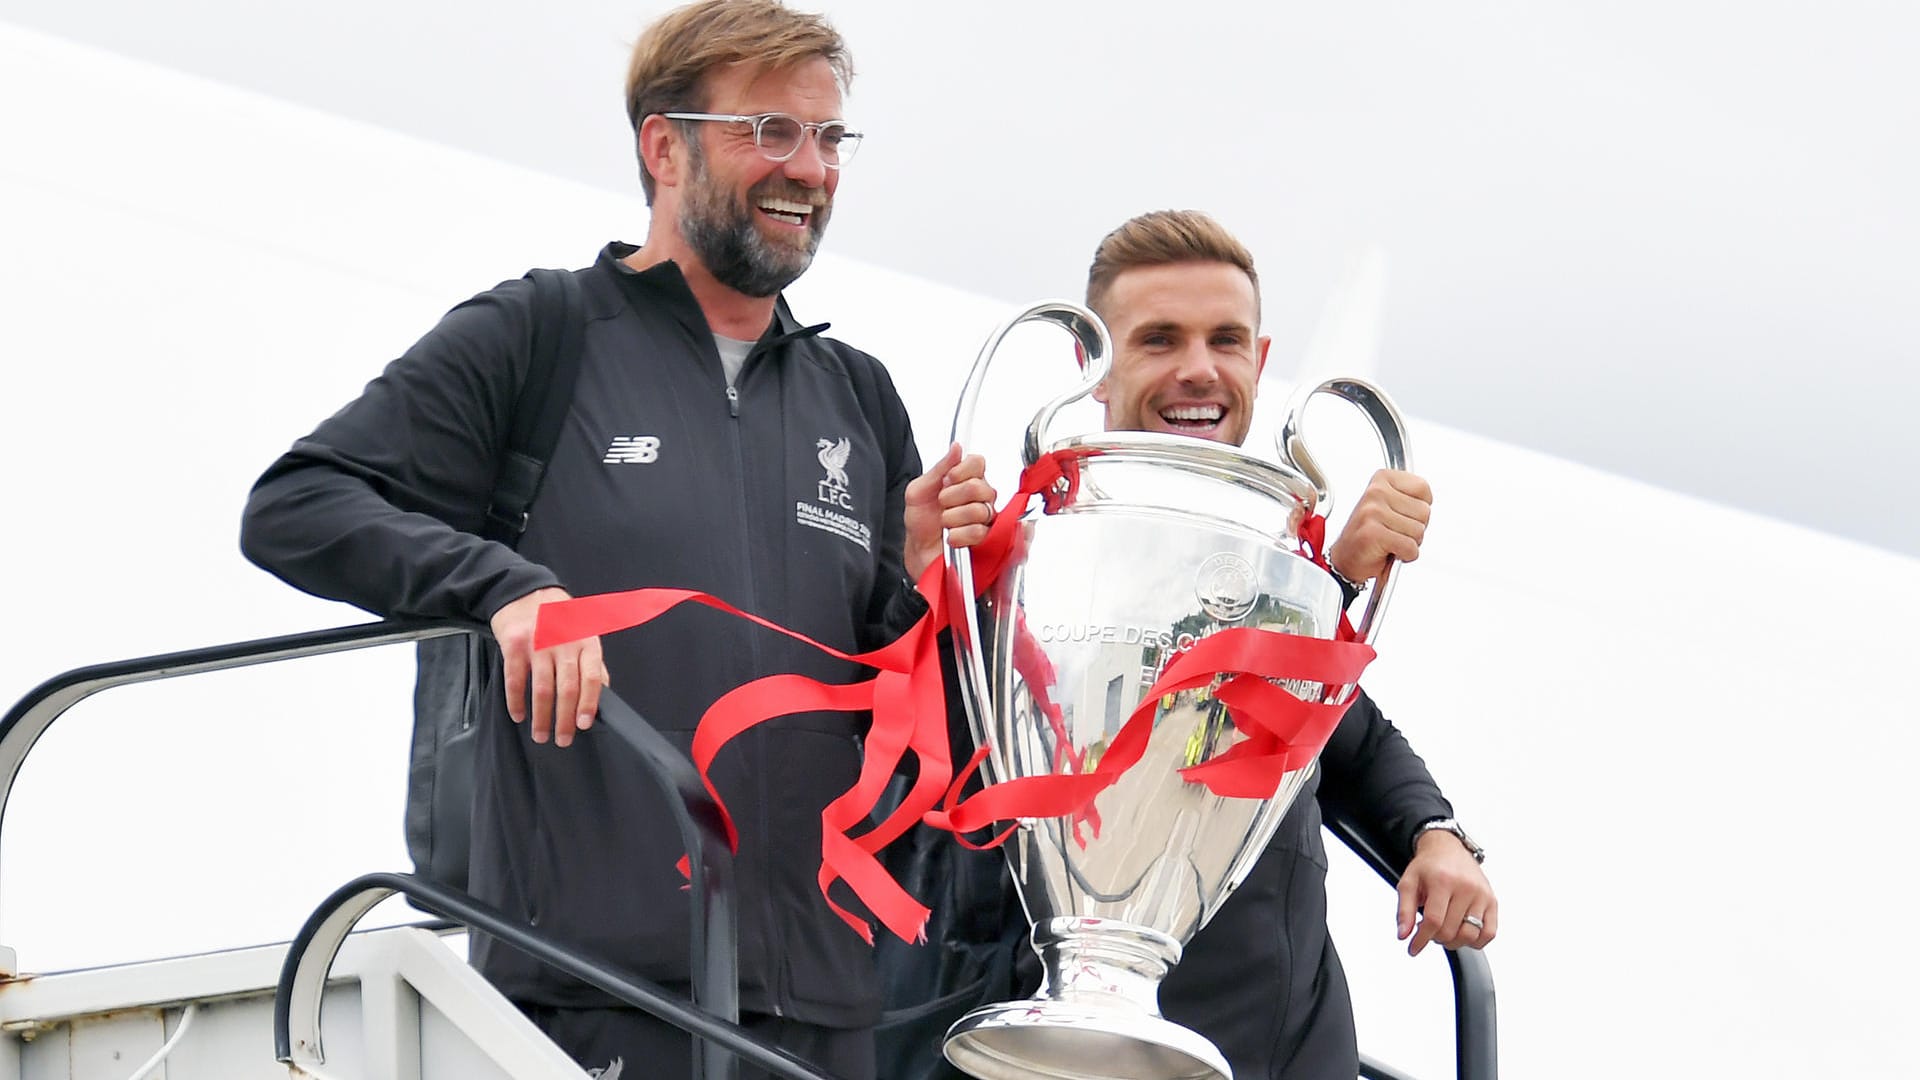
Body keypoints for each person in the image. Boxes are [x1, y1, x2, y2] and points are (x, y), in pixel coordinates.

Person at [238, 3, 994, 1078]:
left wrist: (917, 586)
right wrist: (505, 588)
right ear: (662, 145)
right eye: (769, 131)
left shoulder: (858, 396)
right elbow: (297, 504)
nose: (810, 169)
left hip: (824, 1014)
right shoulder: (538, 334)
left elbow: (877, 692)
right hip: (588, 996)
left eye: (830, 139)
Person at [1077, 209, 1500, 1078]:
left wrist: (1435, 833)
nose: (1200, 370)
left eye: (1225, 340)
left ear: (1260, 364)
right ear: (1093, 363)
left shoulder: (1269, 564)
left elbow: (1348, 730)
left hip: (1291, 1047)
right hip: (1105, 1051)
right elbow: (1181, 714)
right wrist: (1331, 587)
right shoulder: (1043, 565)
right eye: (1160, 340)